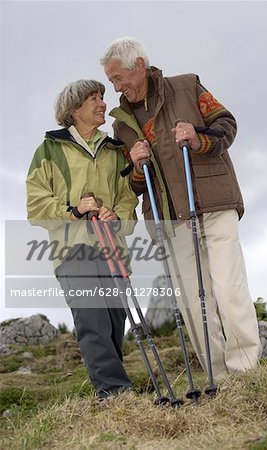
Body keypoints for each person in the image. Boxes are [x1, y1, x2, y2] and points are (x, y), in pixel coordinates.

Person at [100, 37, 262, 381]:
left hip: (213, 203)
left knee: (229, 289)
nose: (116, 86)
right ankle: (218, 378)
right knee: (193, 302)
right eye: (112, 81)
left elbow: (226, 124)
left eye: (120, 77)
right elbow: (134, 184)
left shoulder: (187, 86)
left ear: (140, 66)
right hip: (170, 218)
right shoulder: (122, 123)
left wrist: (198, 137)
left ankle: (246, 373)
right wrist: (138, 165)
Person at [26, 79, 138, 400]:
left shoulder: (115, 150)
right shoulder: (49, 149)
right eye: (94, 98)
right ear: (75, 109)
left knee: (116, 322)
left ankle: (113, 390)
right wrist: (74, 210)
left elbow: (127, 198)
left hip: (113, 248)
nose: (102, 103)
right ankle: (115, 393)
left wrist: (117, 215)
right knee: (94, 321)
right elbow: (36, 206)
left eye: (102, 97)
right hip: (72, 250)